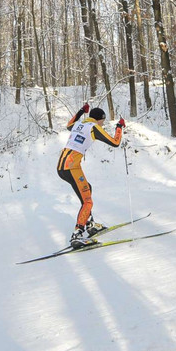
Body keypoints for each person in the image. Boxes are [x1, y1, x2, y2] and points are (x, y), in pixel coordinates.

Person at [57, 103, 125, 248]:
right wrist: (119, 127)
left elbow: (69, 124)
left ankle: (89, 224)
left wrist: (81, 110)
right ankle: (78, 233)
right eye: (103, 121)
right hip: (72, 167)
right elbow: (115, 143)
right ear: (99, 119)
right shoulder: (94, 127)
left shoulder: (79, 125)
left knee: (87, 188)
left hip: (62, 166)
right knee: (87, 201)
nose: (103, 124)